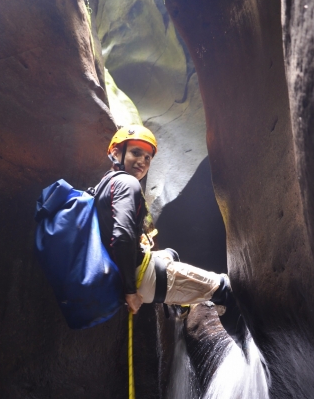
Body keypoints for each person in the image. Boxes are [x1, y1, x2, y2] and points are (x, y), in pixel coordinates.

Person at [94, 125, 232, 315]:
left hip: (120, 268)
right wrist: (130, 292)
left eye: (147, 158)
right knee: (226, 287)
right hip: (137, 277)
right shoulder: (127, 183)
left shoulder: (105, 183)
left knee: (170, 254)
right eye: (136, 153)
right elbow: (122, 237)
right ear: (116, 152)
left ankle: (176, 307)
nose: (142, 161)